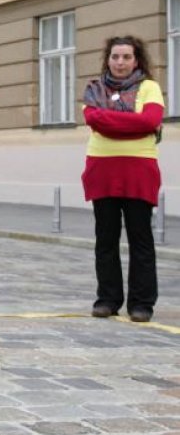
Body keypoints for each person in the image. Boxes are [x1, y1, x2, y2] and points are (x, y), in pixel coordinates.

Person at [82, 36, 162, 324]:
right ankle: (107, 300)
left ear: (136, 60)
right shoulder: (94, 88)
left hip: (139, 171)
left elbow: (150, 121)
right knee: (106, 239)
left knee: (141, 239)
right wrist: (131, 124)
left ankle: (142, 304)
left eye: (126, 57)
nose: (120, 62)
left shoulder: (150, 87)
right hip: (102, 170)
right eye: (115, 57)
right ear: (108, 59)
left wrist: (110, 121)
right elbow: (94, 120)